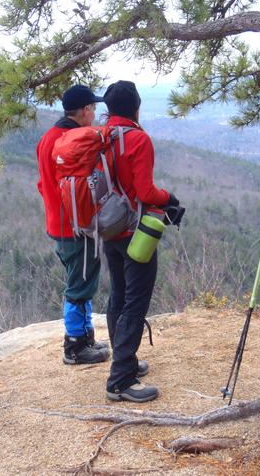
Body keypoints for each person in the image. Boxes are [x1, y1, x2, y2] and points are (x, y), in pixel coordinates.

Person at [102, 80, 180, 402]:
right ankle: (120, 379)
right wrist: (170, 197)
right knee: (135, 300)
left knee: (118, 294)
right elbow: (146, 193)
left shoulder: (100, 136)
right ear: (136, 107)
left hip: (108, 226)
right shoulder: (138, 139)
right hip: (137, 232)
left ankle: (125, 362)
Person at [36, 85, 110, 365]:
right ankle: (75, 346)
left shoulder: (48, 138)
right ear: (85, 111)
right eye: (93, 108)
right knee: (78, 285)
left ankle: (85, 336)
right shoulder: (72, 140)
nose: (94, 114)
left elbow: (43, 184)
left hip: (58, 223)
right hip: (75, 226)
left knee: (82, 280)